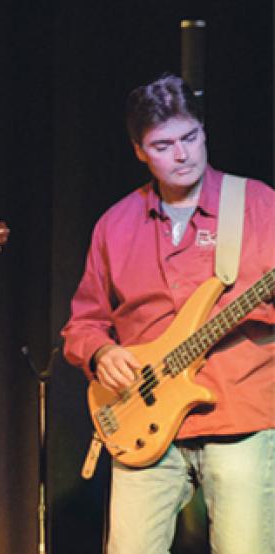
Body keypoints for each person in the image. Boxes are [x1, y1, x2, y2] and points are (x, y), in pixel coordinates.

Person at [62, 74, 274, 553]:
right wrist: (101, 353)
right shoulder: (115, 225)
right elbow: (83, 323)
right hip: (142, 422)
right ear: (139, 151)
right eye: (163, 145)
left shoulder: (259, 204)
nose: (182, 155)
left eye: (190, 138)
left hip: (238, 416)